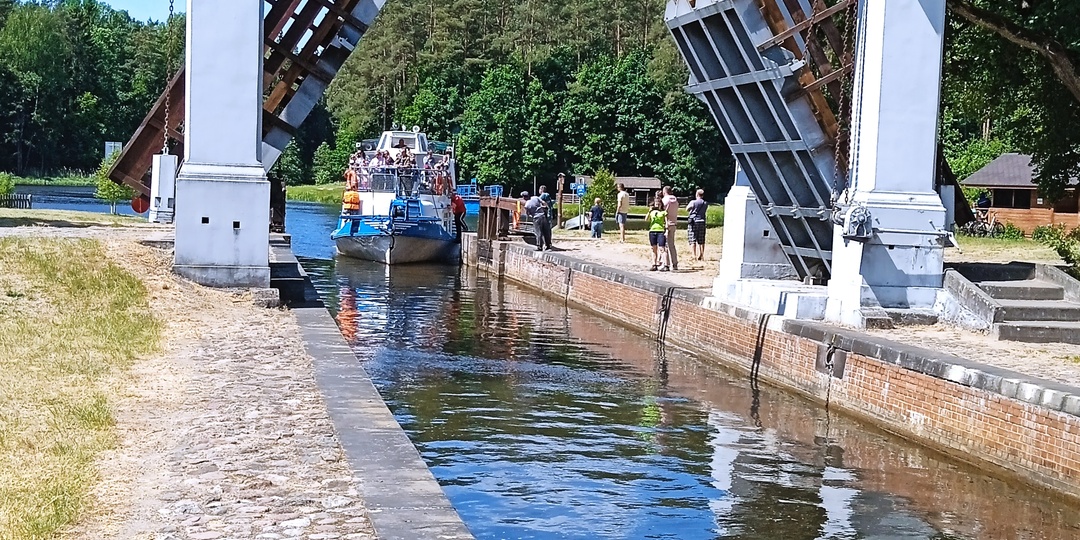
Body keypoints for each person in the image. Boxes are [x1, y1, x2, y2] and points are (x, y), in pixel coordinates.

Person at [686, 189, 708, 261]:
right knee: (701, 239)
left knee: (692, 238)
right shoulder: (705, 203)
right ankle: (701, 255)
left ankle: (693, 255)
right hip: (702, 221)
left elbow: (687, 209)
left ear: (697, 194)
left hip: (694, 221)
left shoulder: (693, 202)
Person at [646, 200, 669, 271]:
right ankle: (654, 264)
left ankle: (666, 265)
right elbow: (646, 219)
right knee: (653, 248)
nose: (657, 205)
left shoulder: (663, 212)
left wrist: (667, 231)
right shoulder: (652, 212)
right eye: (656, 204)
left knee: (662, 248)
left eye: (658, 204)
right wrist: (649, 211)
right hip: (652, 230)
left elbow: (666, 223)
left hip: (660, 231)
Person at [661, 186, 680, 271]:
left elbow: (662, 211)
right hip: (674, 223)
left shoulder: (665, 200)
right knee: (672, 244)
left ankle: (666, 264)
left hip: (666, 224)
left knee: (665, 244)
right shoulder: (675, 200)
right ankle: (675, 263)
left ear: (664, 191)